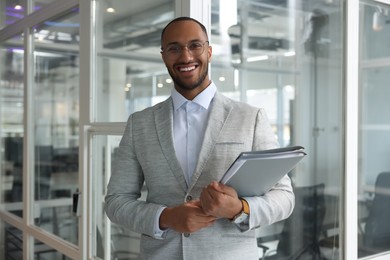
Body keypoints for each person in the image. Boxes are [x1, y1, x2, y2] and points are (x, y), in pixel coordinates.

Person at [104, 16, 295, 260]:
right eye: (174, 48)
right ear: (163, 56)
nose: (185, 57)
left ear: (209, 51)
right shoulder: (139, 124)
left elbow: (284, 197)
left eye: (195, 45)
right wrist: (166, 217)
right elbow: (116, 202)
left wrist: (239, 209)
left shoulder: (250, 117)